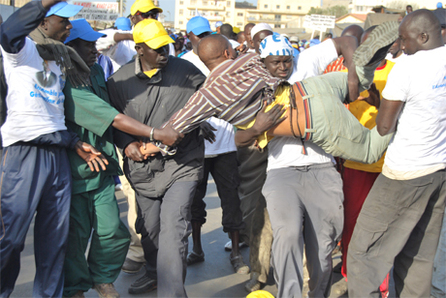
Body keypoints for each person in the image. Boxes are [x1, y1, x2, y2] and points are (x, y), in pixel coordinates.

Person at [157, 21, 400, 167]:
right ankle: (367, 63)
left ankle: (402, 111)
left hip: (311, 118)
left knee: (369, 151)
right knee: (364, 79)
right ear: (228, 52)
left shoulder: (207, 95)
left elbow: (172, 130)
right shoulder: (251, 57)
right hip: (313, 86)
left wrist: (150, 144)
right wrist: (352, 75)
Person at [62, 19, 181, 298]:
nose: (94, 49)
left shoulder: (93, 72)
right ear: (70, 47)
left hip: (101, 167)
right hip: (75, 169)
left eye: (94, 43)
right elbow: (110, 117)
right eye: (87, 44)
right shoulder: (66, 77)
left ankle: (102, 278)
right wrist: (155, 133)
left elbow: (117, 109)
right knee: (76, 237)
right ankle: (76, 287)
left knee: (113, 231)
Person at [0, 1, 111, 297]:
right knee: (10, 238)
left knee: (54, 240)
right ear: (43, 21)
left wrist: (76, 143)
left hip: (58, 154)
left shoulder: (60, 60)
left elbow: (52, 113)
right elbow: (9, 29)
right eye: (64, 21)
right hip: (24, 155)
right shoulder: (21, 50)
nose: (69, 27)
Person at [347, 10, 446, 297]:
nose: (401, 46)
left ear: (424, 36)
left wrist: (378, 104)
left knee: (364, 252)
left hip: (403, 173)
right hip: (438, 171)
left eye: (404, 39)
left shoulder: (407, 67)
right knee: (419, 255)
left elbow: (384, 126)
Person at [106, 18, 206, 297]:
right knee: (149, 228)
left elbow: (207, 102)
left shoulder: (188, 72)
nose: (164, 53)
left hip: (182, 164)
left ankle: (171, 292)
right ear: (139, 49)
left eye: (167, 46)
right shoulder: (118, 81)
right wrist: (126, 144)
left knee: (174, 228)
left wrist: (202, 123)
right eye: (156, 48)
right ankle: (153, 274)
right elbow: (112, 121)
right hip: (142, 169)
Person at [182, 18, 249, 274]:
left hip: (227, 145)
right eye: (197, 35)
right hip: (197, 146)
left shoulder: (228, 55)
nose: (201, 39)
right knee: (195, 201)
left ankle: (235, 253)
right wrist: (197, 123)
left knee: (231, 199)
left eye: (206, 34)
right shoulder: (184, 62)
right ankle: (197, 249)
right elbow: (180, 101)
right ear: (189, 36)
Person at [340, 25, 395, 298]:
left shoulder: (397, 71)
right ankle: (352, 274)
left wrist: (376, 98)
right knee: (352, 222)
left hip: (387, 165)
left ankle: (382, 283)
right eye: (365, 43)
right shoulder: (347, 72)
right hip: (355, 164)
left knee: (383, 226)